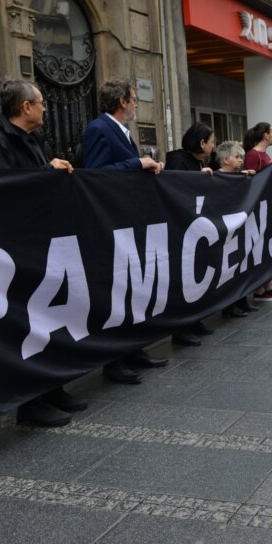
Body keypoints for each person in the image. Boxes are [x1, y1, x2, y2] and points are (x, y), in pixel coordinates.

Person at [0, 79, 86, 428]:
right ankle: (31, 403)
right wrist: (44, 172)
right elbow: (0, 194)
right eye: (40, 103)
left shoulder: (32, 140)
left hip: (40, 241)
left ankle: (52, 388)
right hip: (17, 249)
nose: (45, 108)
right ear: (25, 108)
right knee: (28, 327)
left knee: (48, 321)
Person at [82, 78, 174, 376]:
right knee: (116, 290)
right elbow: (95, 173)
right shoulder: (99, 129)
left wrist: (146, 165)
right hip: (111, 222)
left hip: (128, 220)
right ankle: (115, 361)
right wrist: (137, 164)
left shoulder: (120, 131)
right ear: (122, 101)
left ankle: (133, 350)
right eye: (134, 99)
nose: (136, 104)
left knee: (133, 288)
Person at [213, 140, 262, 318]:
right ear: (225, 160)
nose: (241, 160)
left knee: (241, 264)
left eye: (241, 156)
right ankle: (229, 305)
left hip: (239, 228)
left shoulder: (239, 176)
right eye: (237, 157)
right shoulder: (214, 178)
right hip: (224, 229)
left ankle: (241, 300)